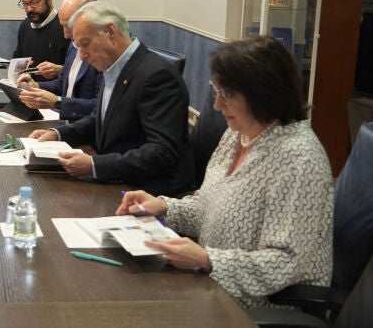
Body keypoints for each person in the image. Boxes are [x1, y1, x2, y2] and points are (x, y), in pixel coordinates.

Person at [116, 36, 333, 308]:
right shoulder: (238, 134)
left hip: (258, 305)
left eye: (227, 94)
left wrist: (208, 260)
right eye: (216, 90)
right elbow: (208, 207)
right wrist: (163, 207)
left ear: (264, 93)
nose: (217, 105)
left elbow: (286, 262)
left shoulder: (299, 159)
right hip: (209, 284)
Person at [29, 1, 194, 197]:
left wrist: (94, 165)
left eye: (85, 44)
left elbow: (162, 152)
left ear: (110, 32)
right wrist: (58, 134)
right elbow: (99, 119)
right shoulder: (115, 67)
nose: (82, 56)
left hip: (147, 193)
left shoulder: (156, 76)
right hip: (118, 180)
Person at [16, 0, 102, 122]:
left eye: (69, 26)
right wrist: (35, 86)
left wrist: (58, 102)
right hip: (65, 124)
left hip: (84, 128)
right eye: (63, 26)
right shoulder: (73, 45)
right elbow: (63, 84)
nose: (65, 34)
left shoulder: (103, 54)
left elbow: (101, 107)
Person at [13, 0, 69, 80]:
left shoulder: (66, 27)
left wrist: (60, 70)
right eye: (24, 3)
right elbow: (17, 58)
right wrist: (19, 67)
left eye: (34, 2)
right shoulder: (25, 25)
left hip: (54, 89)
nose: (29, 9)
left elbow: (79, 71)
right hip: (26, 88)